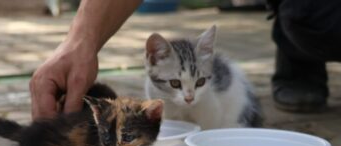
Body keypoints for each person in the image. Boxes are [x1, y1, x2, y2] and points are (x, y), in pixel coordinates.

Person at [30, 0, 341, 119]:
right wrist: (80, 42)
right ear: (151, 60)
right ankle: (298, 61)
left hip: (222, 123)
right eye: (177, 84)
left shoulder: (198, 82)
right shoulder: (157, 78)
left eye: (199, 82)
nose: (189, 95)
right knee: (306, 18)